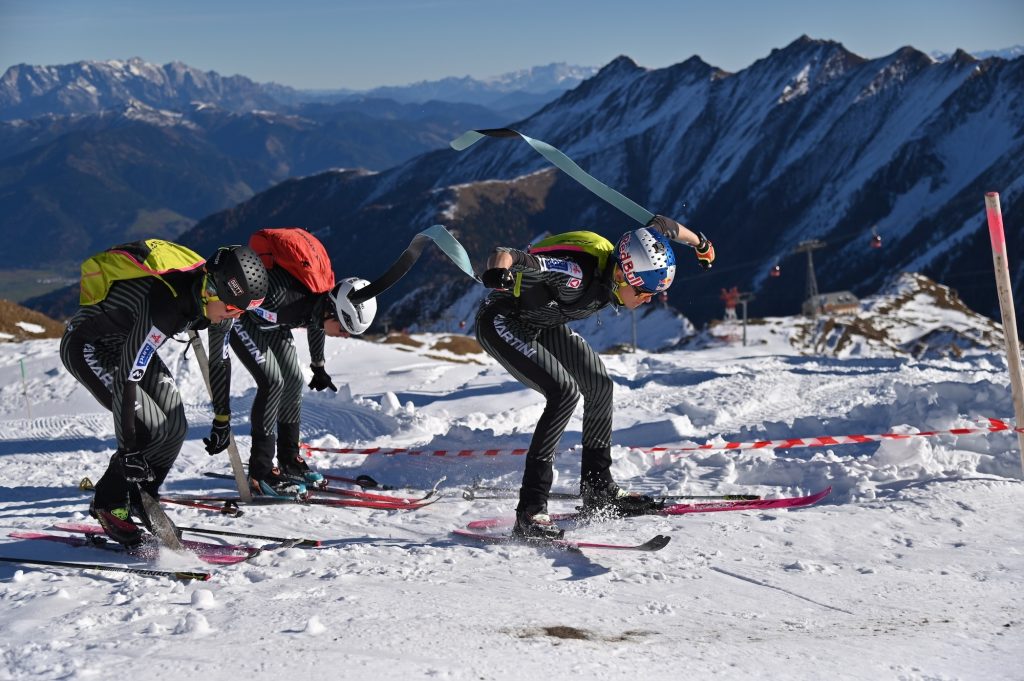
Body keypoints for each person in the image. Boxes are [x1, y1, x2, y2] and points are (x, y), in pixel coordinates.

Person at [475, 215, 715, 539]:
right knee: (564, 393)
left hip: (542, 324)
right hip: (504, 321)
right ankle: (530, 511)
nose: (648, 299)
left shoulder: (629, 257)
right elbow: (508, 253)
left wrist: (701, 245)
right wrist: (497, 271)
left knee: (599, 386)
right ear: (621, 274)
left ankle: (598, 491)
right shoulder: (574, 275)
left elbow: (664, 227)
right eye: (644, 291)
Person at [60, 243, 269, 546]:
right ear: (211, 291)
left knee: (175, 427)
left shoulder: (220, 304)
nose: (233, 317)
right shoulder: (167, 304)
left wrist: (222, 417)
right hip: (90, 346)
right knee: (148, 427)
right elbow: (126, 380)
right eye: (233, 309)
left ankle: (143, 499)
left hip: (130, 342)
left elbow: (219, 359)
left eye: (242, 312)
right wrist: (129, 450)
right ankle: (108, 502)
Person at [205, 255, 376, 497]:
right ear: (333, 312)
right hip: (241, 317)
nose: (346, 337)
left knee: (294, 380)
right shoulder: (283, 298)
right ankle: (261, 472)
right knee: (273, 381)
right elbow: (238, 297)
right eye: (344, 329)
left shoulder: (320, 303)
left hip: (270, 321)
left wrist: (318, 365)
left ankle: (289, 460)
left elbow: (317, 323)